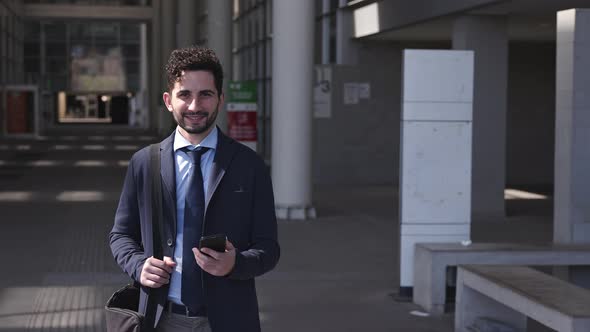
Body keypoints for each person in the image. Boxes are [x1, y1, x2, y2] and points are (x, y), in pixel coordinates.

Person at [110, 46, 280, 332]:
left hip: (228, 318)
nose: (194, 106)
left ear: (220, 100)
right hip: (160, 318)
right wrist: (139, 265)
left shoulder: (249, 165)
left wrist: (235, 263)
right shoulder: (144, 163)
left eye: (206, 94)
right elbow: (121, 235)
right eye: (184, 94)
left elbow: (268, 248)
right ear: (168, 100)